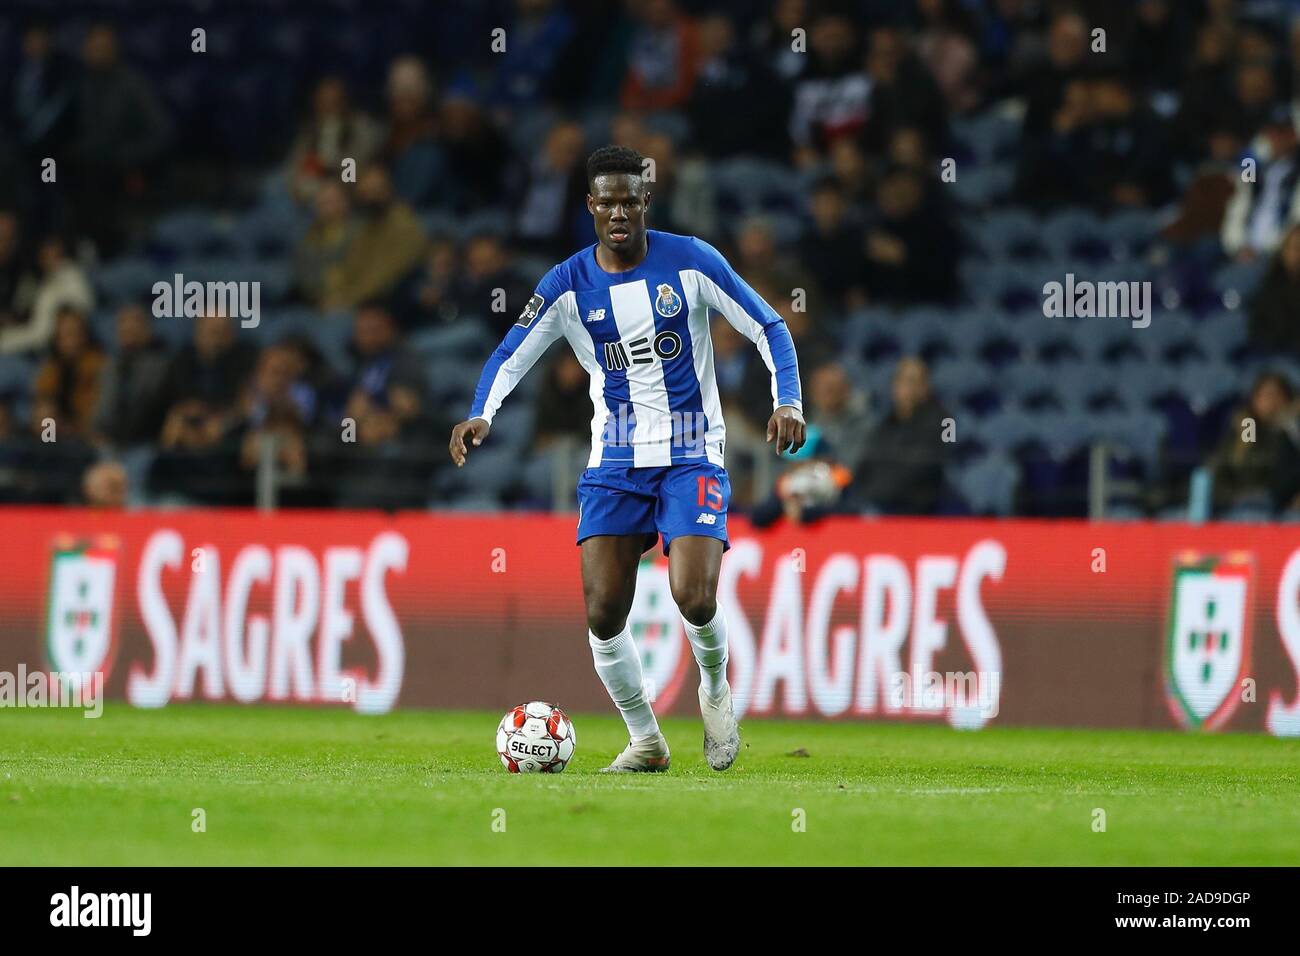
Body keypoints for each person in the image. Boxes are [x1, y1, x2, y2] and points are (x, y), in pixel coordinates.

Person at [449, 145, 805, 773]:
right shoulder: (567, 284)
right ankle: (647, 739)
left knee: (693, 595)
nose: (618, 212)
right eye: (606, 201)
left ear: (646, 200)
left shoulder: (691, 261)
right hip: (615, 459)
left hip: (693, 450)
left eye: (629, 200)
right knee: (603, 610)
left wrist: (789, 401)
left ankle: (716, 689)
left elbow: (769, 326)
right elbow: (512, 351)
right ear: (590, 206)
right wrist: (483, 412)